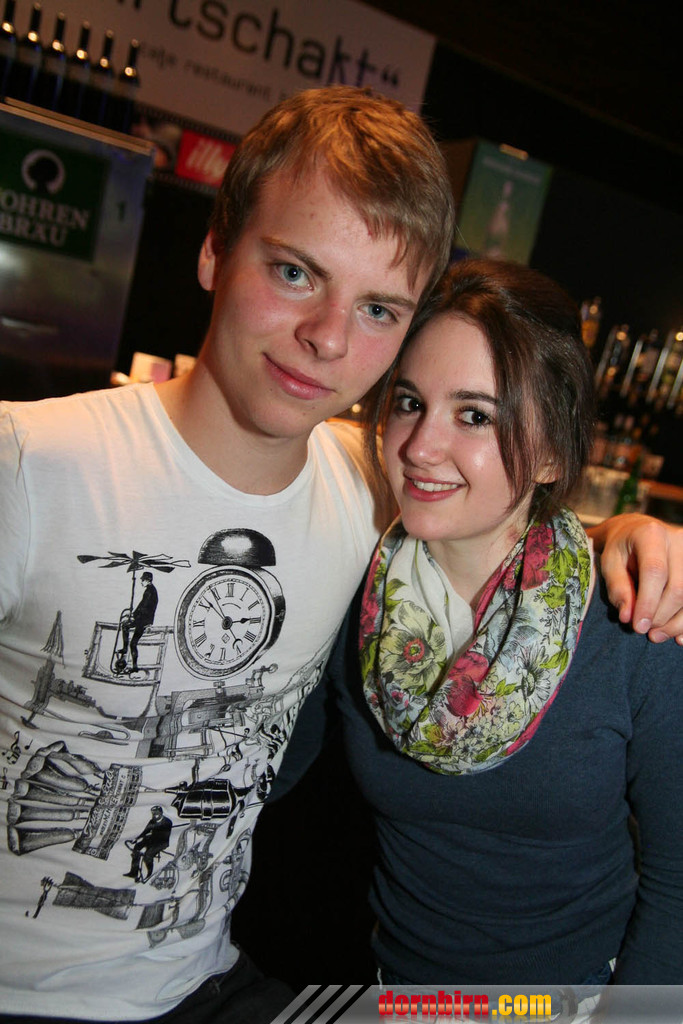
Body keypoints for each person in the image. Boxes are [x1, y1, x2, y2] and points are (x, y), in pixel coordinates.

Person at [0, 87, 681, 1024]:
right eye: (293, 272)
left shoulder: (371, 498)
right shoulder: (33, 465)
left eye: (376, 308)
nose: (326, 336)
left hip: (213, 984)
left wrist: (628, 534)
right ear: (214, 248)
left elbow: (504, 525)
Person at [282, 258, 683, 1001]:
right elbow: (261, 774)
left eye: (474, 416)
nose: (418, 447)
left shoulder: (632, 621)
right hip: (399, 994)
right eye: (409, 402)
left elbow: (677, 882)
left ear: (553, 451)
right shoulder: (354, 596)